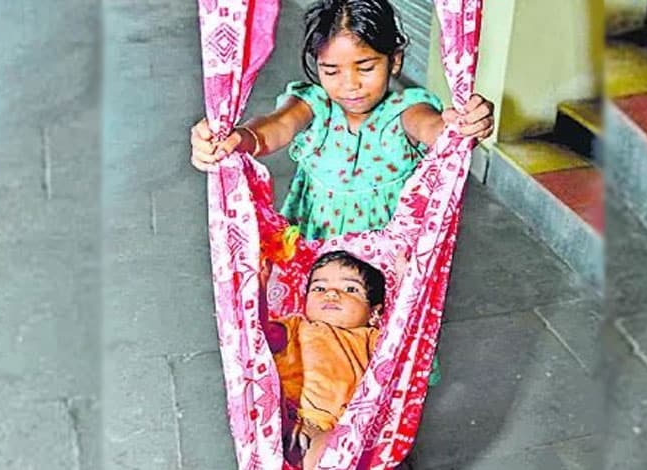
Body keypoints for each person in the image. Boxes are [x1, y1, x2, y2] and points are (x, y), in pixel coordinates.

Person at [192, 0, 493, 385]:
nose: (349, 85)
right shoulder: (312, 104)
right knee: (317, 337)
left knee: (377, 345)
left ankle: (373, 427)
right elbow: (273, 127)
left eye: (365, 67)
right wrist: (236, 140)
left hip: (382, 261)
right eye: (330, 70)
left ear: (394, 60)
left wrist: (462, 125)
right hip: (319, 247)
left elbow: (435, 129)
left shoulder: (405, 109)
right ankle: (320, 421)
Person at [262, 250, 386, 469]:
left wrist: (410, 279)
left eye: (350, 289)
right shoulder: (295, 326)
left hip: (335, 430)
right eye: (319, 288)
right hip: (280, 415)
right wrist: (259, 287)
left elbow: (407, 337)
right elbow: (257, 335)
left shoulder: (372, 339)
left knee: (330, 450)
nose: (331, 294)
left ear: (374, 313)